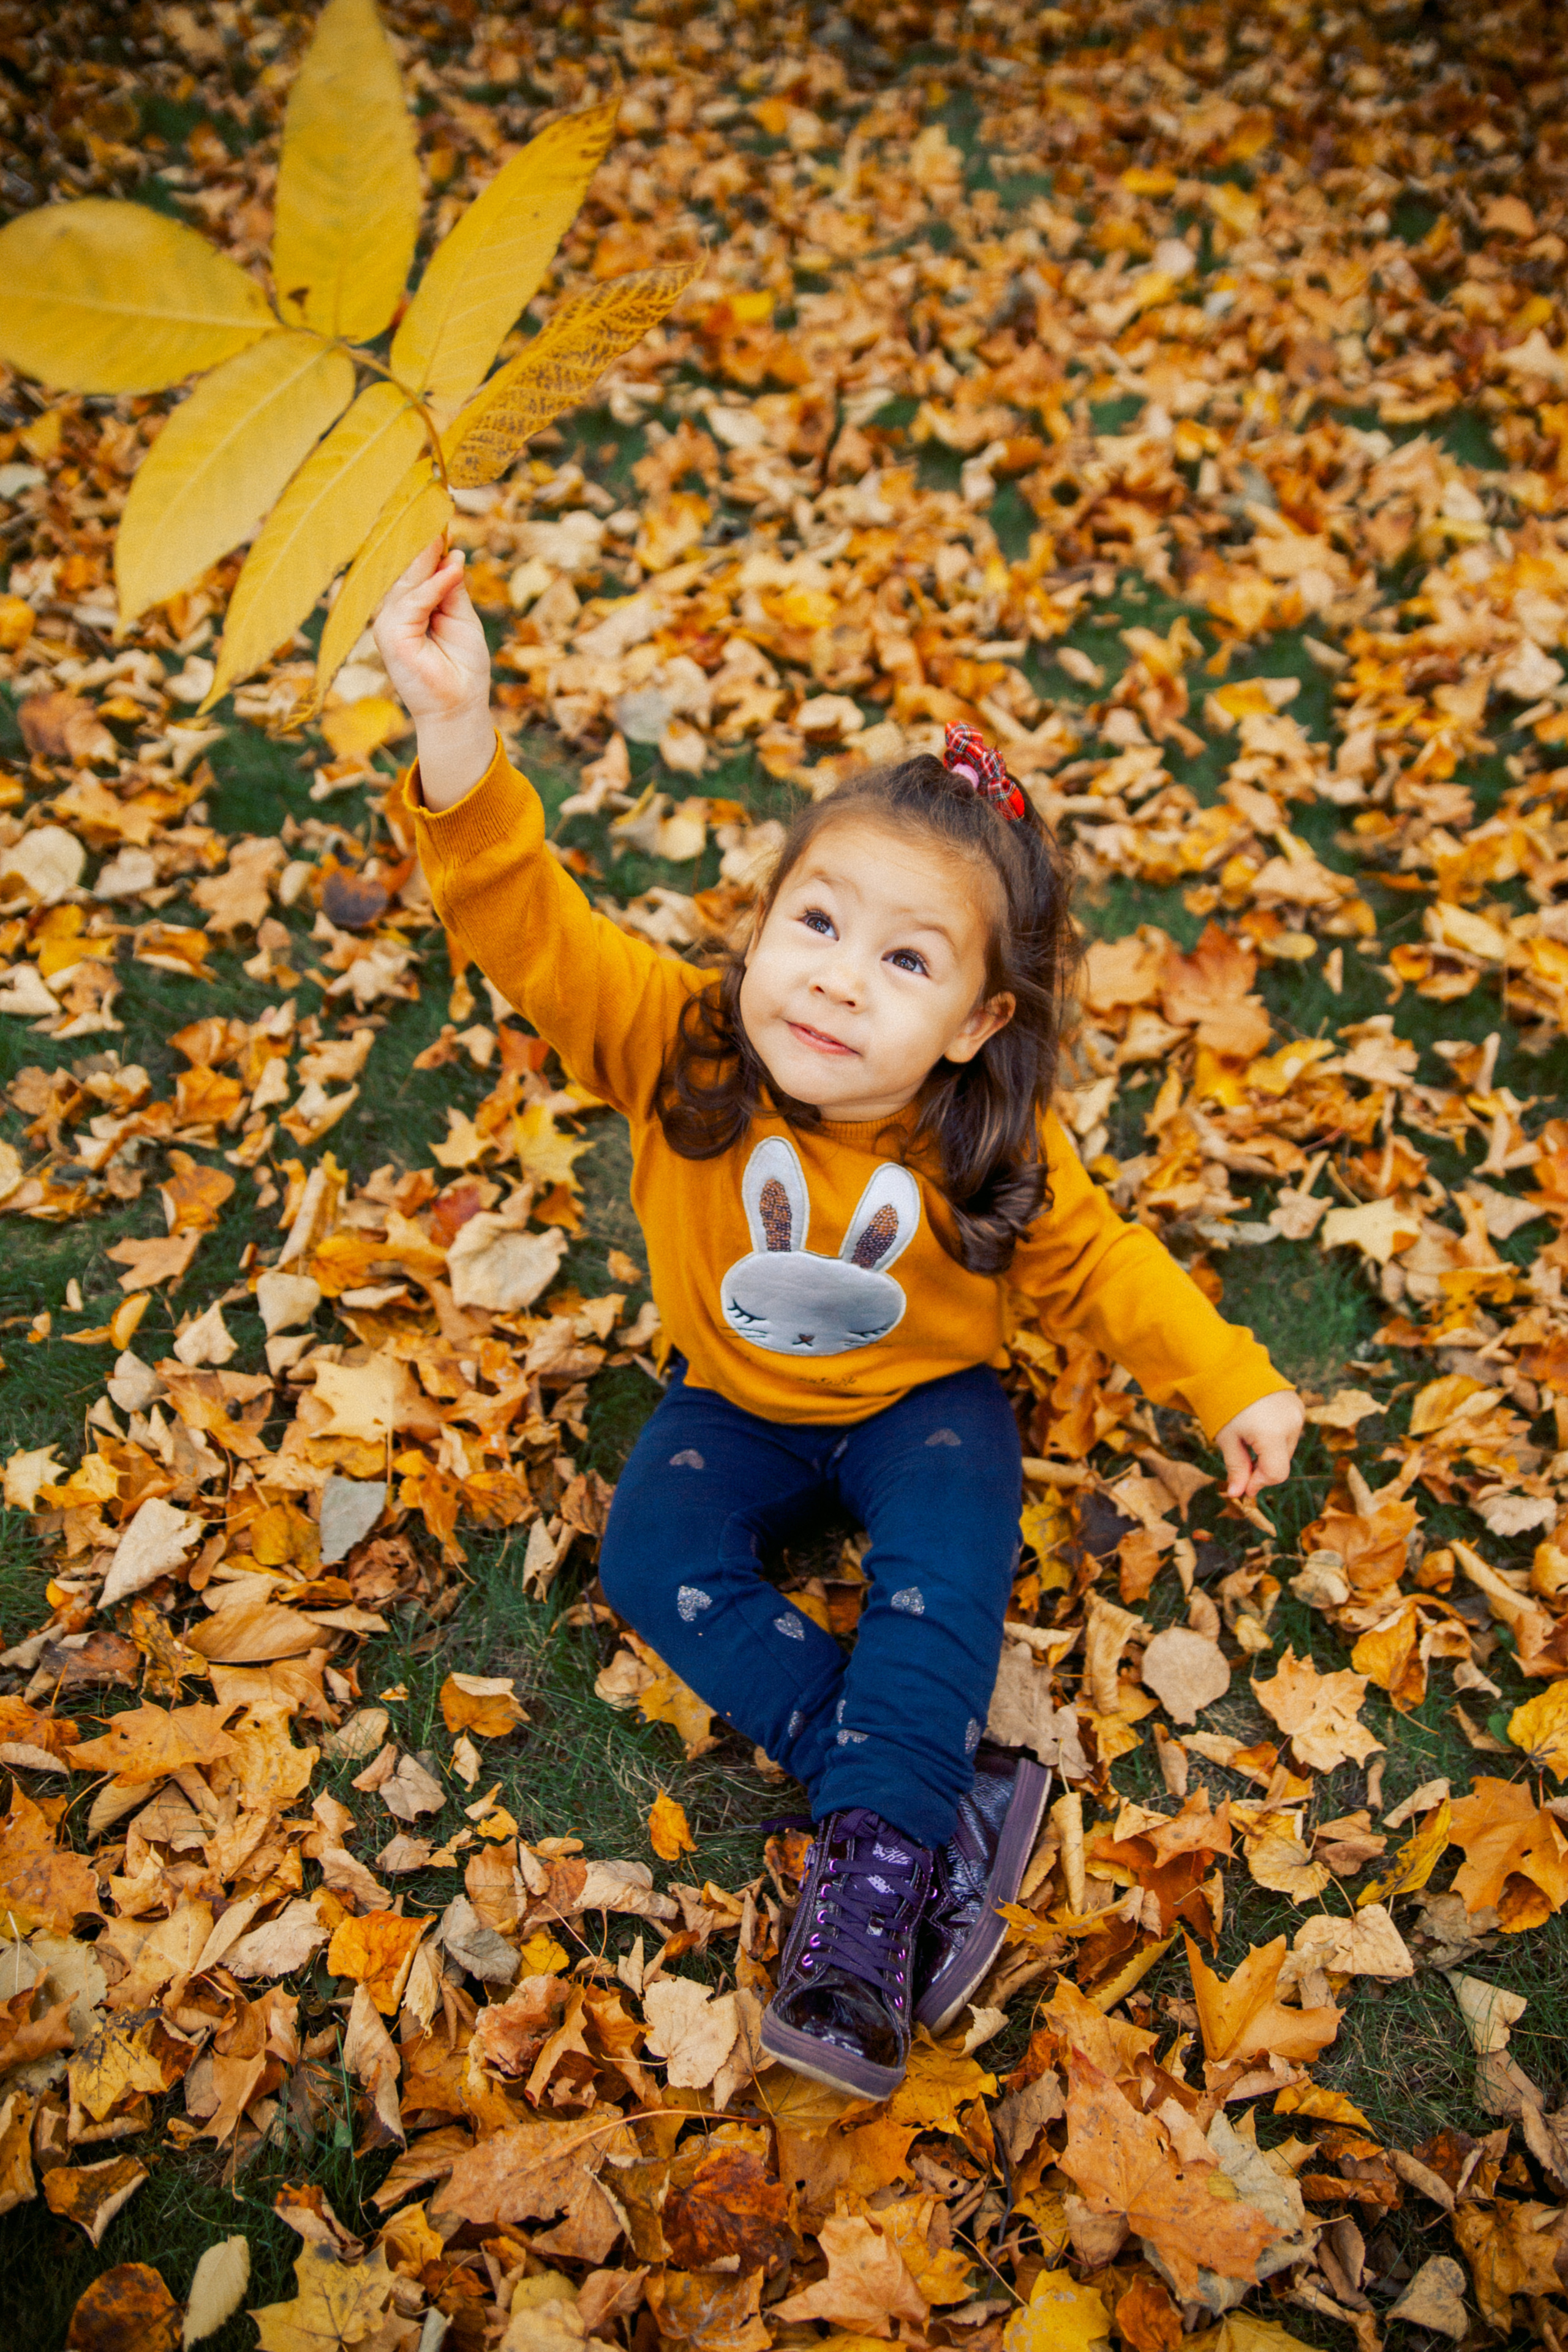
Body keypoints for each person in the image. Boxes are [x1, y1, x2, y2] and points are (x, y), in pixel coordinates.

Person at [375, 533, 1305, 2099]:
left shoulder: (986, 1148)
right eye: (814, 925)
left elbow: (1106, 1270)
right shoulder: (672, 1039)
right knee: (650, 1557)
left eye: (904, 960)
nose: (837, 984)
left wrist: (1227, 1379)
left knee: (945, 1572)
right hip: (727, 1399)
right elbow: (522, 919)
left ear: (974, 1023)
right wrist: (457, 735)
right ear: (765, 924)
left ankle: (865, 1894)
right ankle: (913, 1785)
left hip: (921, 1407)